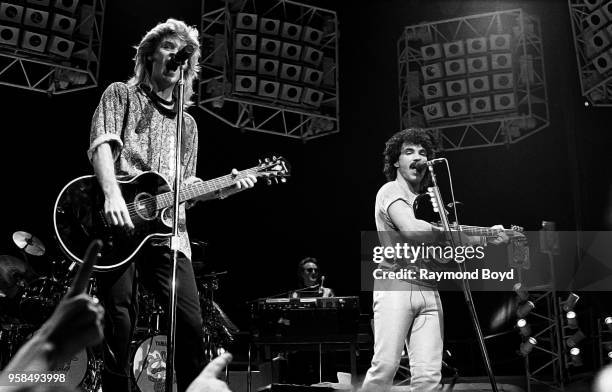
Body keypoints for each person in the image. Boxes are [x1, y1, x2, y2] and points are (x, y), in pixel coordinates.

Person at [87, 19, 255, 392]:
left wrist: (225, 188)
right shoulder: (121, 95)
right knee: (119, 319)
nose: (175, 55)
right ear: (149, 55)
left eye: (181, 51)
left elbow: (188, 187)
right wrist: (113, 194)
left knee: (191, 324)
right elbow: (102, 144)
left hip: (169, 233)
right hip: (121, 224)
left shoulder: (188, 125)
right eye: (168, 47)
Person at [361, 128, 508, 392]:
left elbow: (444, 236)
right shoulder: (389, 191)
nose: (417, 157)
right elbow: (414, 231)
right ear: (396, 160)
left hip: (429, 288)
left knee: (429, 375)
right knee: (385, 366)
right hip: (396, 285)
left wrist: (489, 235)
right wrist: (469, 234)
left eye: (422, 152)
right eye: (409, 152)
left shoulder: (427, 200)